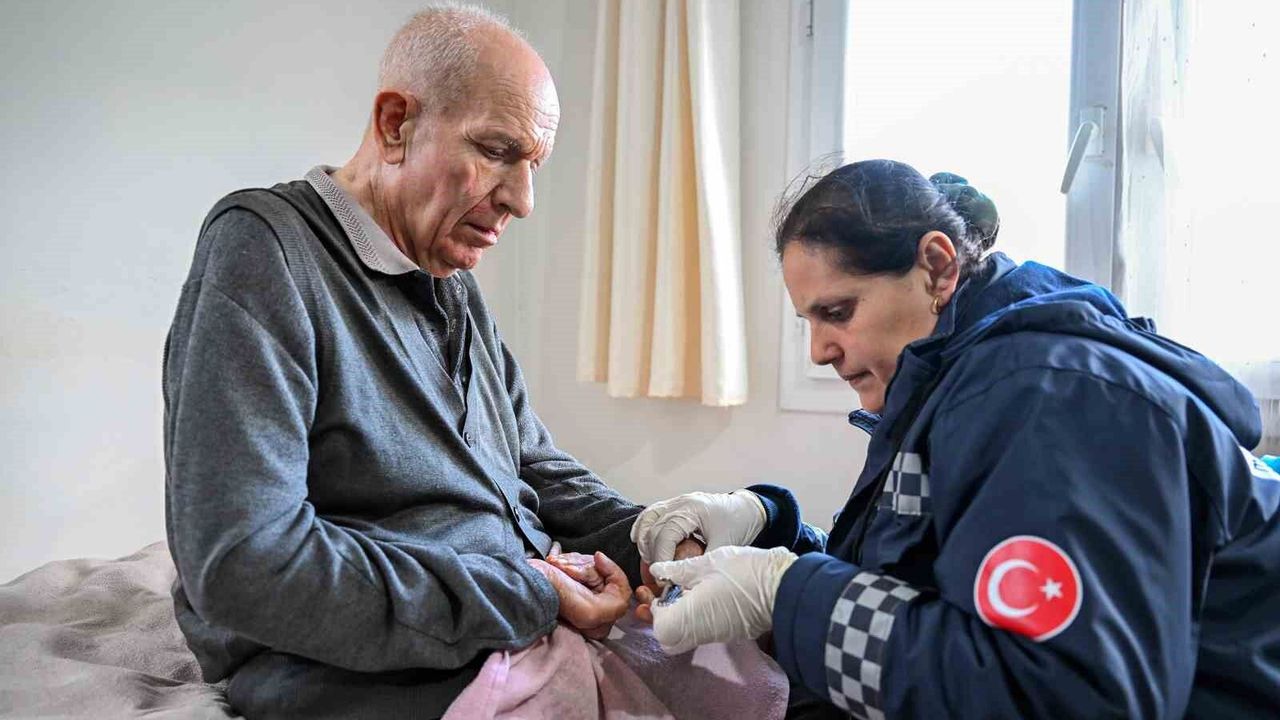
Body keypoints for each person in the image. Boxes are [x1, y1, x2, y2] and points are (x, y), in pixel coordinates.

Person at [631, 159, 1280, 718]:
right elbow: (931, 588)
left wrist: (786, 594)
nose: (820, 351)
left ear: (938, 268)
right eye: (808, 321)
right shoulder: (951, 383)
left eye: (838, 312)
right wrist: (771, 534)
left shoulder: (1047, 400)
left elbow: (1063, 696)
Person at [162, 6, 668, 718]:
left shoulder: (447, 279)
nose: (523, 201)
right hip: (372, 665)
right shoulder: (265, 252)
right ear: (396, 124)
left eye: (534, 165)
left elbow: (530, 465)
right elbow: (245, 564)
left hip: (499, 622)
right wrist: (531, 591)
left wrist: (658, 539)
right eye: (497, 150)